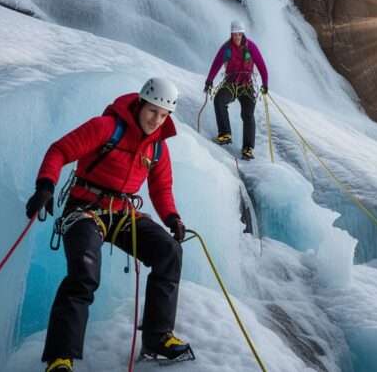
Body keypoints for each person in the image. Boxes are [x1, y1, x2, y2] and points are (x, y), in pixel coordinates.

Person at [25, 77, 192, 372]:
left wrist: (172, 218)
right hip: (85, 211)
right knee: (84, 275)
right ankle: (60, 358)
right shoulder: (107, 127)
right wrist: (45, 185)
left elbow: (161, 188)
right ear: (141, 104)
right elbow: (60, 150)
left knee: (169, 252)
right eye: (153, 111)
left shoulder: (157, 148)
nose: (157, 120)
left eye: (164, 115)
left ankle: (157, 338)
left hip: (122, 213)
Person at [204, 20, 269, 160]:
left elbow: (261, 65)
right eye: (235, 34)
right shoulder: (226, 48)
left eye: (239, 34)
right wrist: (209, 80)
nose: (237, 37)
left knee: (247, 114)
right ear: (231, 33)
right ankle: (225, 134)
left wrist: (265, 83)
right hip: (231, 83)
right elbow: (216, 63)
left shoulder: (251, 47)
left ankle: (248, 149)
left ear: (243, 33)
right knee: (219, 100)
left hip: (246, 84)